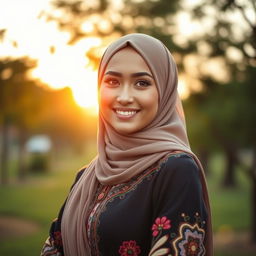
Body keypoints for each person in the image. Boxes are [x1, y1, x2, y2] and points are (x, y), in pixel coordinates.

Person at [41, 33, 213, 256]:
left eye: (142, 83)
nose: (124, 96)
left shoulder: (176, 169)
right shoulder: (87, 176)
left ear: (165, 91)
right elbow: (54, 247)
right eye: (112, 81)